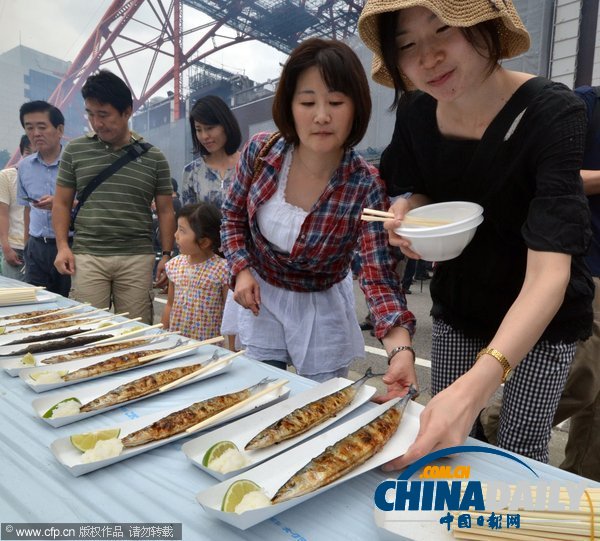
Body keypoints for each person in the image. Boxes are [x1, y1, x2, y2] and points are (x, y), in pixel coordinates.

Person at [357, 0, 593, 466]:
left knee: (519, 452)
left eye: (443, 29)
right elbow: (422, 190)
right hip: (461, 302)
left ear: (485, 22)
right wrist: (409, 209)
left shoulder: (553, 113)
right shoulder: (417, 114)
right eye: (406, 45)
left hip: (544, 317)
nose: (427, 58)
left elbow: (549, 273)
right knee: (449, 445)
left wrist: (480, 385)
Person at [221, 38, 415, 383]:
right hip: (260, 297)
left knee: (318, 409)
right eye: (307, 101)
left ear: (356, 108)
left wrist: (401, 352)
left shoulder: (364, 185)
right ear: (290, 106)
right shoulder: (262, 153)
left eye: (336, 102)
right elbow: (233, 217)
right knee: (261, 397)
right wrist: (242, 270)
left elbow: (377, 275)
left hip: (319, 304)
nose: (322, 116)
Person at [53, 70, 175, 324]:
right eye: (91, 114)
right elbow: (62, 202)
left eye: (104, 114)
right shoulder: (75, 151)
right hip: (87, 256)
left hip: (136, 257)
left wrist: (165, 255)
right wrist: (63, 246)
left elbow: (165, 210)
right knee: (86, 330)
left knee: (136, 332)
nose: (97, 123)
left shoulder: (154, 158)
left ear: (127, 111)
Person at [17, 101, 72, 296]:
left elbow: (88, 204)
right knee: (35, 301)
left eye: (42, 127)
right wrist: (26, 245)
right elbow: (27, 209)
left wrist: (61, 204)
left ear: (59, 130)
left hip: (70, 245)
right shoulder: (24, 167)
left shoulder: (75, 163)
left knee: (70, 304)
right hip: (37, 246)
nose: (35, 133)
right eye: (29, 127)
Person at [161, 203, 229, 342]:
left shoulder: (222, 270)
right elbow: (170, 304)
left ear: (204, 242)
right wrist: (162, 333)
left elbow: (230, 313)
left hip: (208, 346)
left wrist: (232, 348)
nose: (175, 235)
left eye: (182, 230)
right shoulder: (175, 265)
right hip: (176, 342)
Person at [181, 95, 242, 207]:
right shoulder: (192, 172)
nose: (204, 136)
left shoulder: (248, 165)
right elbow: (189, 219)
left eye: (210, 128)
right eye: (198, 130)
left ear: (226, 124)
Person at [0, 135, 32, 281]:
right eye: (28, 153)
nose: (32, 158)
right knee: (15, 295)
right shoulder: (6, 177)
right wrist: (6, 247)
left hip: (38, 248)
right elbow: (2, 214)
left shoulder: (50, 177)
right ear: (21, 152)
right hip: (15, 248)